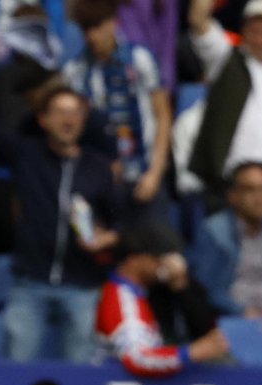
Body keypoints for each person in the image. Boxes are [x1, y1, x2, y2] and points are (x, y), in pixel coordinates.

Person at [0, 83, 121, 363]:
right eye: (60, 112)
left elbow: (120, 222)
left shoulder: (99, 168)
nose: (68, 120)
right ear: (43, 120)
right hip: (30, 283)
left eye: (75, 113)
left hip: (82, 286)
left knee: (81, 375)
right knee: (16, 368)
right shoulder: (28, 155)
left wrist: (107, 238)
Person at [64, 0, 171, 221]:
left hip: (146, 174)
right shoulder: (76, 73)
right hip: (103, 182)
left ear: (113, 22)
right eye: (86, 28)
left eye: (97, 26)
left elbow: (163, 115)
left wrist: (156, 172)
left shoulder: (141, 59)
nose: (91, 36)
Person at [97, 219, 231, 377]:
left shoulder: (141, 292)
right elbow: (137, 358)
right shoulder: (123, 300)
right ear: (132, 260)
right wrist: (191, 353)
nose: (164, 263)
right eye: (157, 256)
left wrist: (180, 285)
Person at [188, 0, 262, 198]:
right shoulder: (226, 58)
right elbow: (198, 19)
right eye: (255, 31)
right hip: (225, 184)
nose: (261, 39)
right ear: (244, 31)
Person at [190, 161, 262, 318]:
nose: (259, 197)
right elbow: (206, 288)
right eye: (250, 190)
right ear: (233, 196)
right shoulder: (214, 230)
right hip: (234, 318)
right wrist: (241, 312)